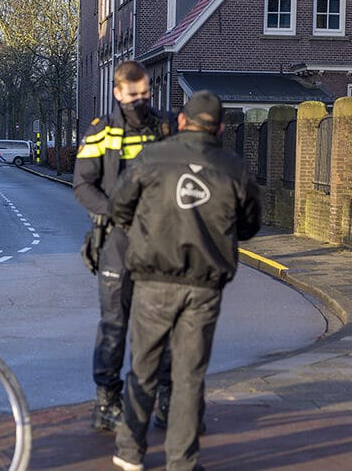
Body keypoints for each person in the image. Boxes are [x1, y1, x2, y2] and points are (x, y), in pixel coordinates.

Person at [108, 90, 261, 471]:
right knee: (189, 376)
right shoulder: (234, 168)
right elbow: (249, 225)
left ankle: (129, 453)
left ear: (180, 121)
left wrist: (141, 231)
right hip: (204, 286)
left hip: (152, 281)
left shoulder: (152, 158)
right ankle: (182, 462)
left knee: (143, 368)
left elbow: (118, 206)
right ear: (220, 129)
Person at [73, 60, 170, 431]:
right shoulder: (101, 131)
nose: (140, 101)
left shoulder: (163, 128)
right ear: (117, 93)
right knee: (114, 324)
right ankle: (106, 402)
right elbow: (83, 185)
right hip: (117, 239)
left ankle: (165, 398)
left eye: (145, 93)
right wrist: (116, 211)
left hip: (159, 240)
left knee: (161, 324)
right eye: (133, 95)